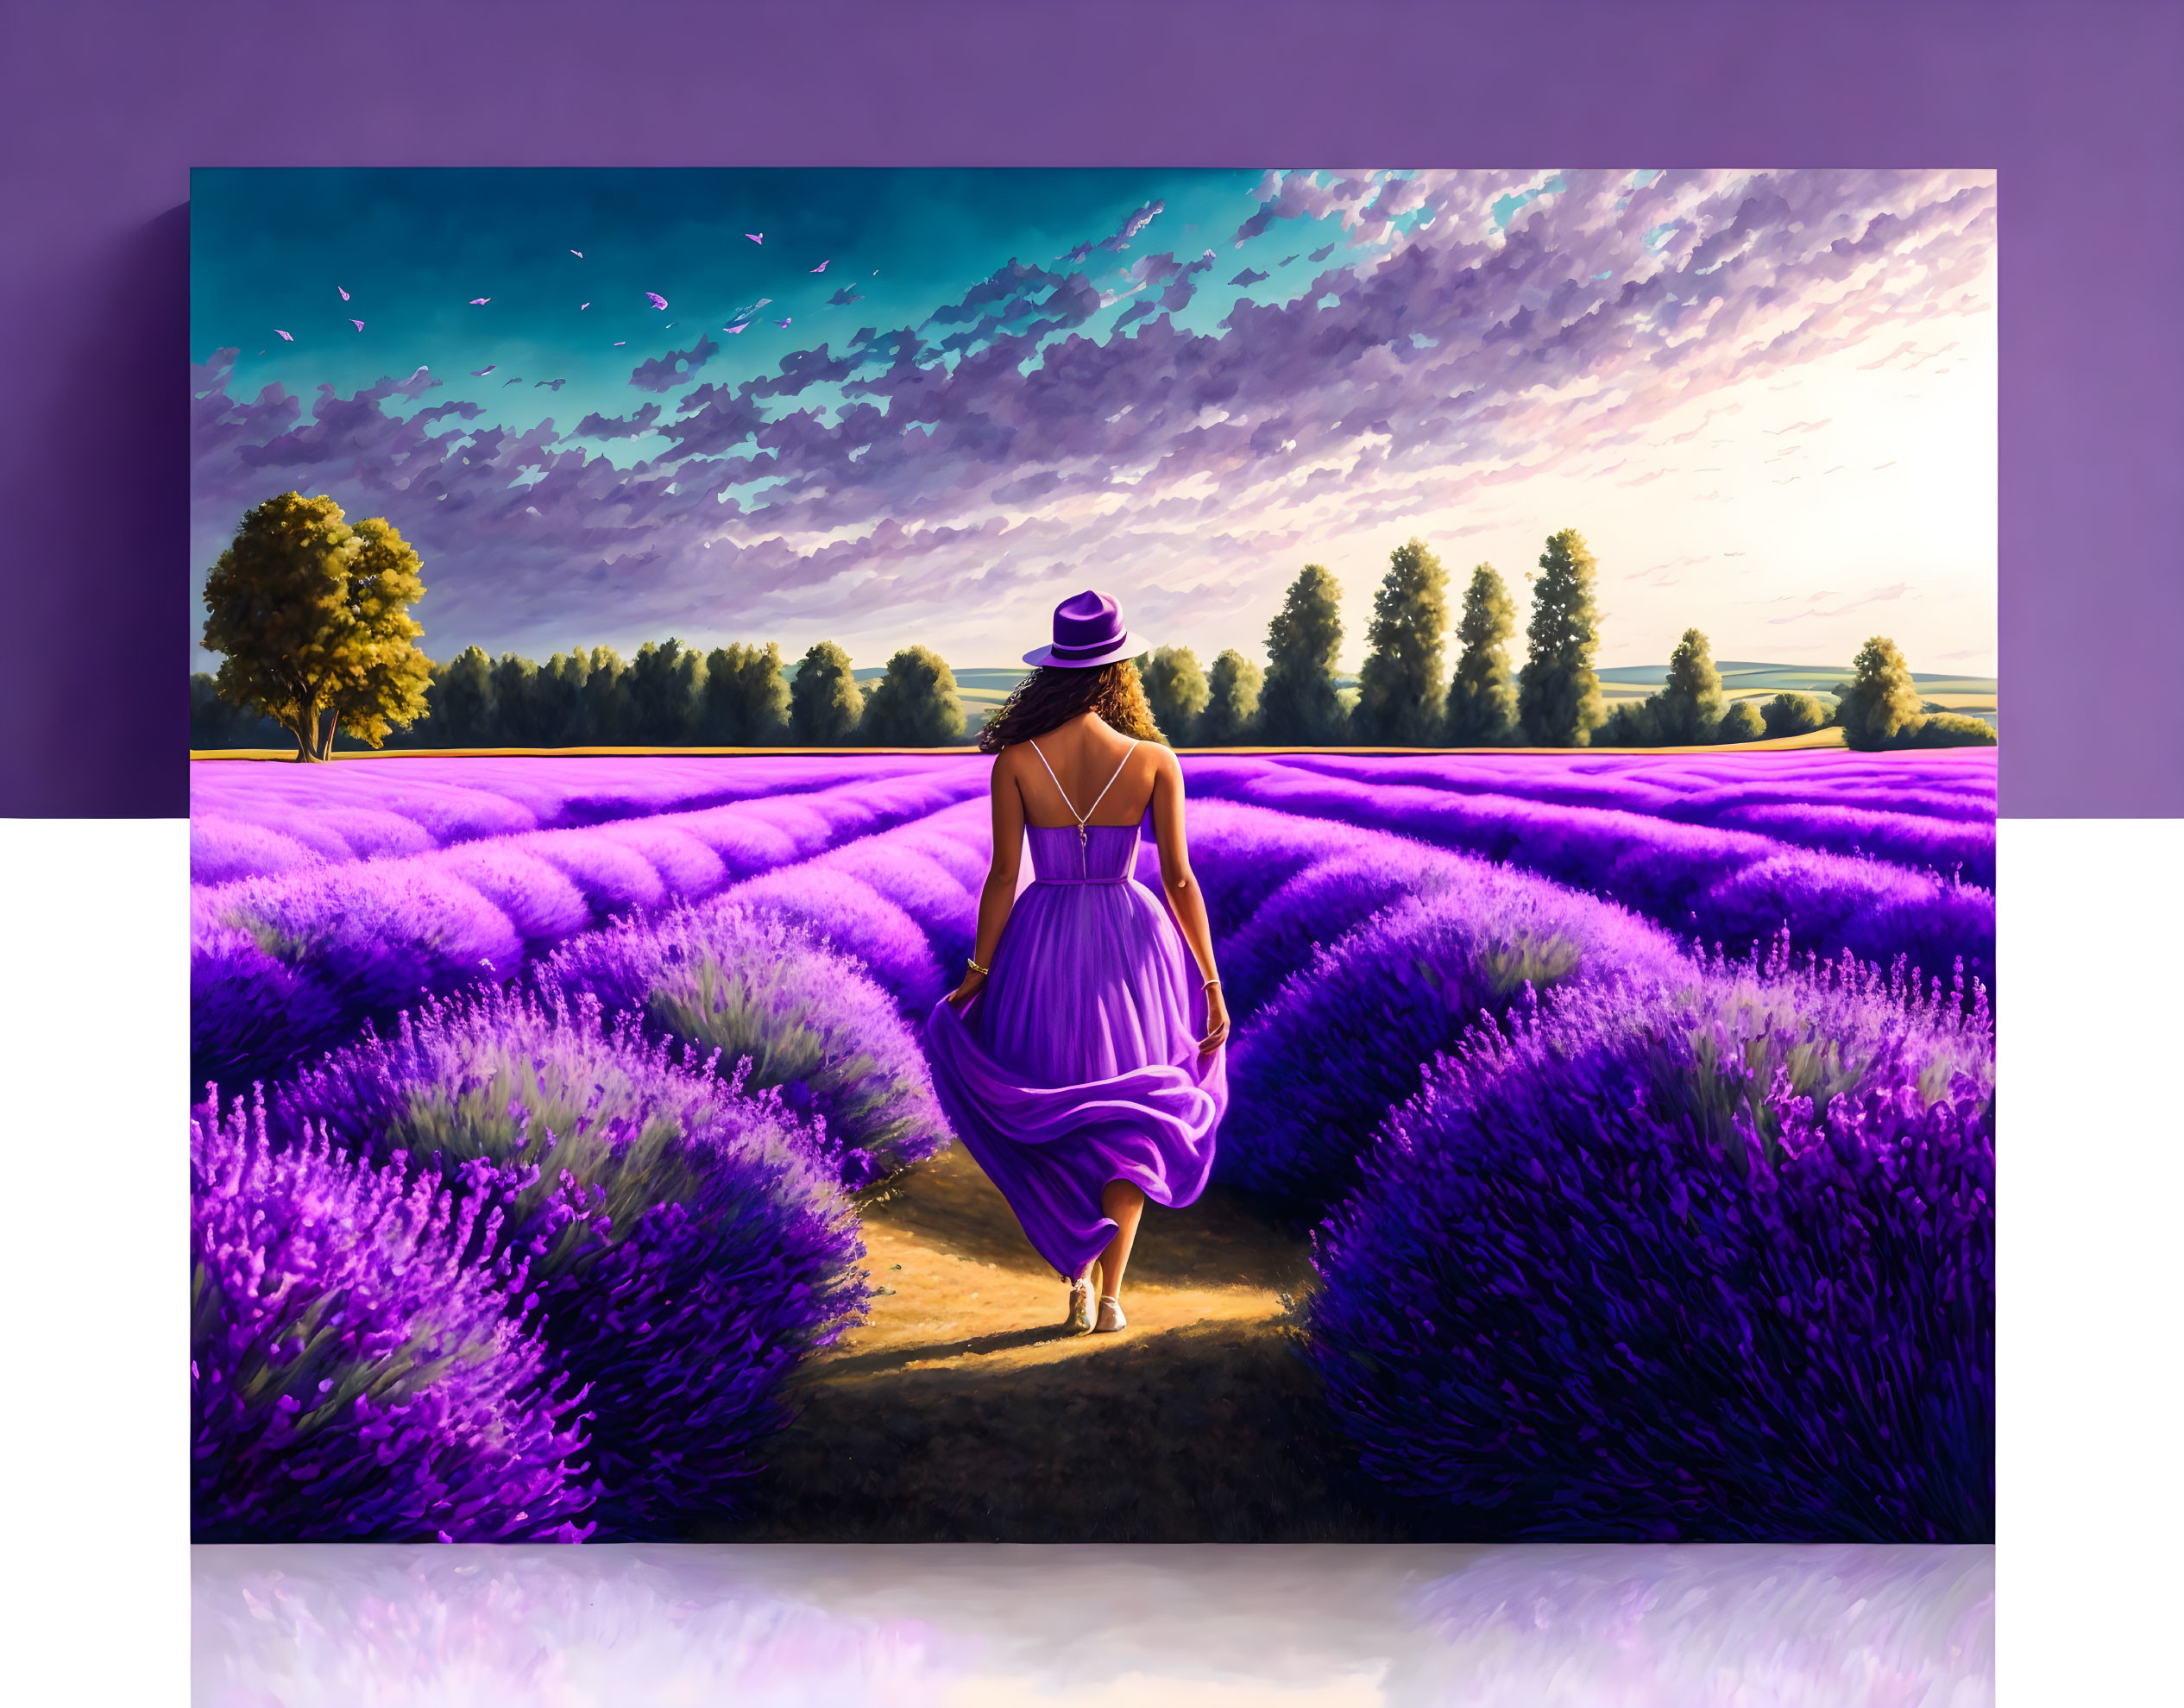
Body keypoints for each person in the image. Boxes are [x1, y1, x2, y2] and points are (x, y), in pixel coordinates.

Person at [923, 589, 1230, 1335]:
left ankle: (1077, 1283)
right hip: (1134, 944)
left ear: (1054, 669)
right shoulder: (1155, 759)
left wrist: (979, 971)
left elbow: (1002, 877)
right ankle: (1115, 1293)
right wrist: (1211, 983)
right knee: (1131, 1112)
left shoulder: (1017, 762)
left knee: (1059, 1108)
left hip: (1044, 941)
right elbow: (1180, 879)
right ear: (1119, 670)